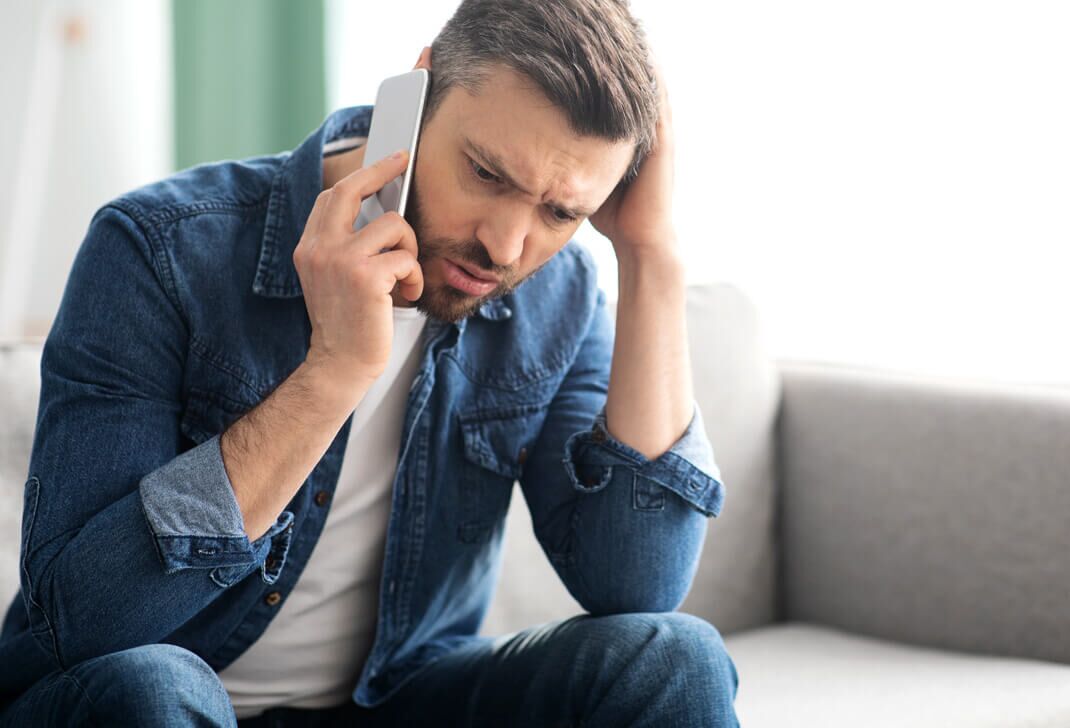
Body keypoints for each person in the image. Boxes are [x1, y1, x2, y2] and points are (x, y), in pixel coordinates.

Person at [0, 0, 739, 725]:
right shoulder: (157, 249)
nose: (507, 247)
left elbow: (635, 582)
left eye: (559, 213)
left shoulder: (559, 294)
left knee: (675, 656)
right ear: (414, 95)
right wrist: (331, 375)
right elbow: (87, 624)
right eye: (486, 173)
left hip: (400, 694)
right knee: (150, 687)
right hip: (154, 697)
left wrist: (650, 256)